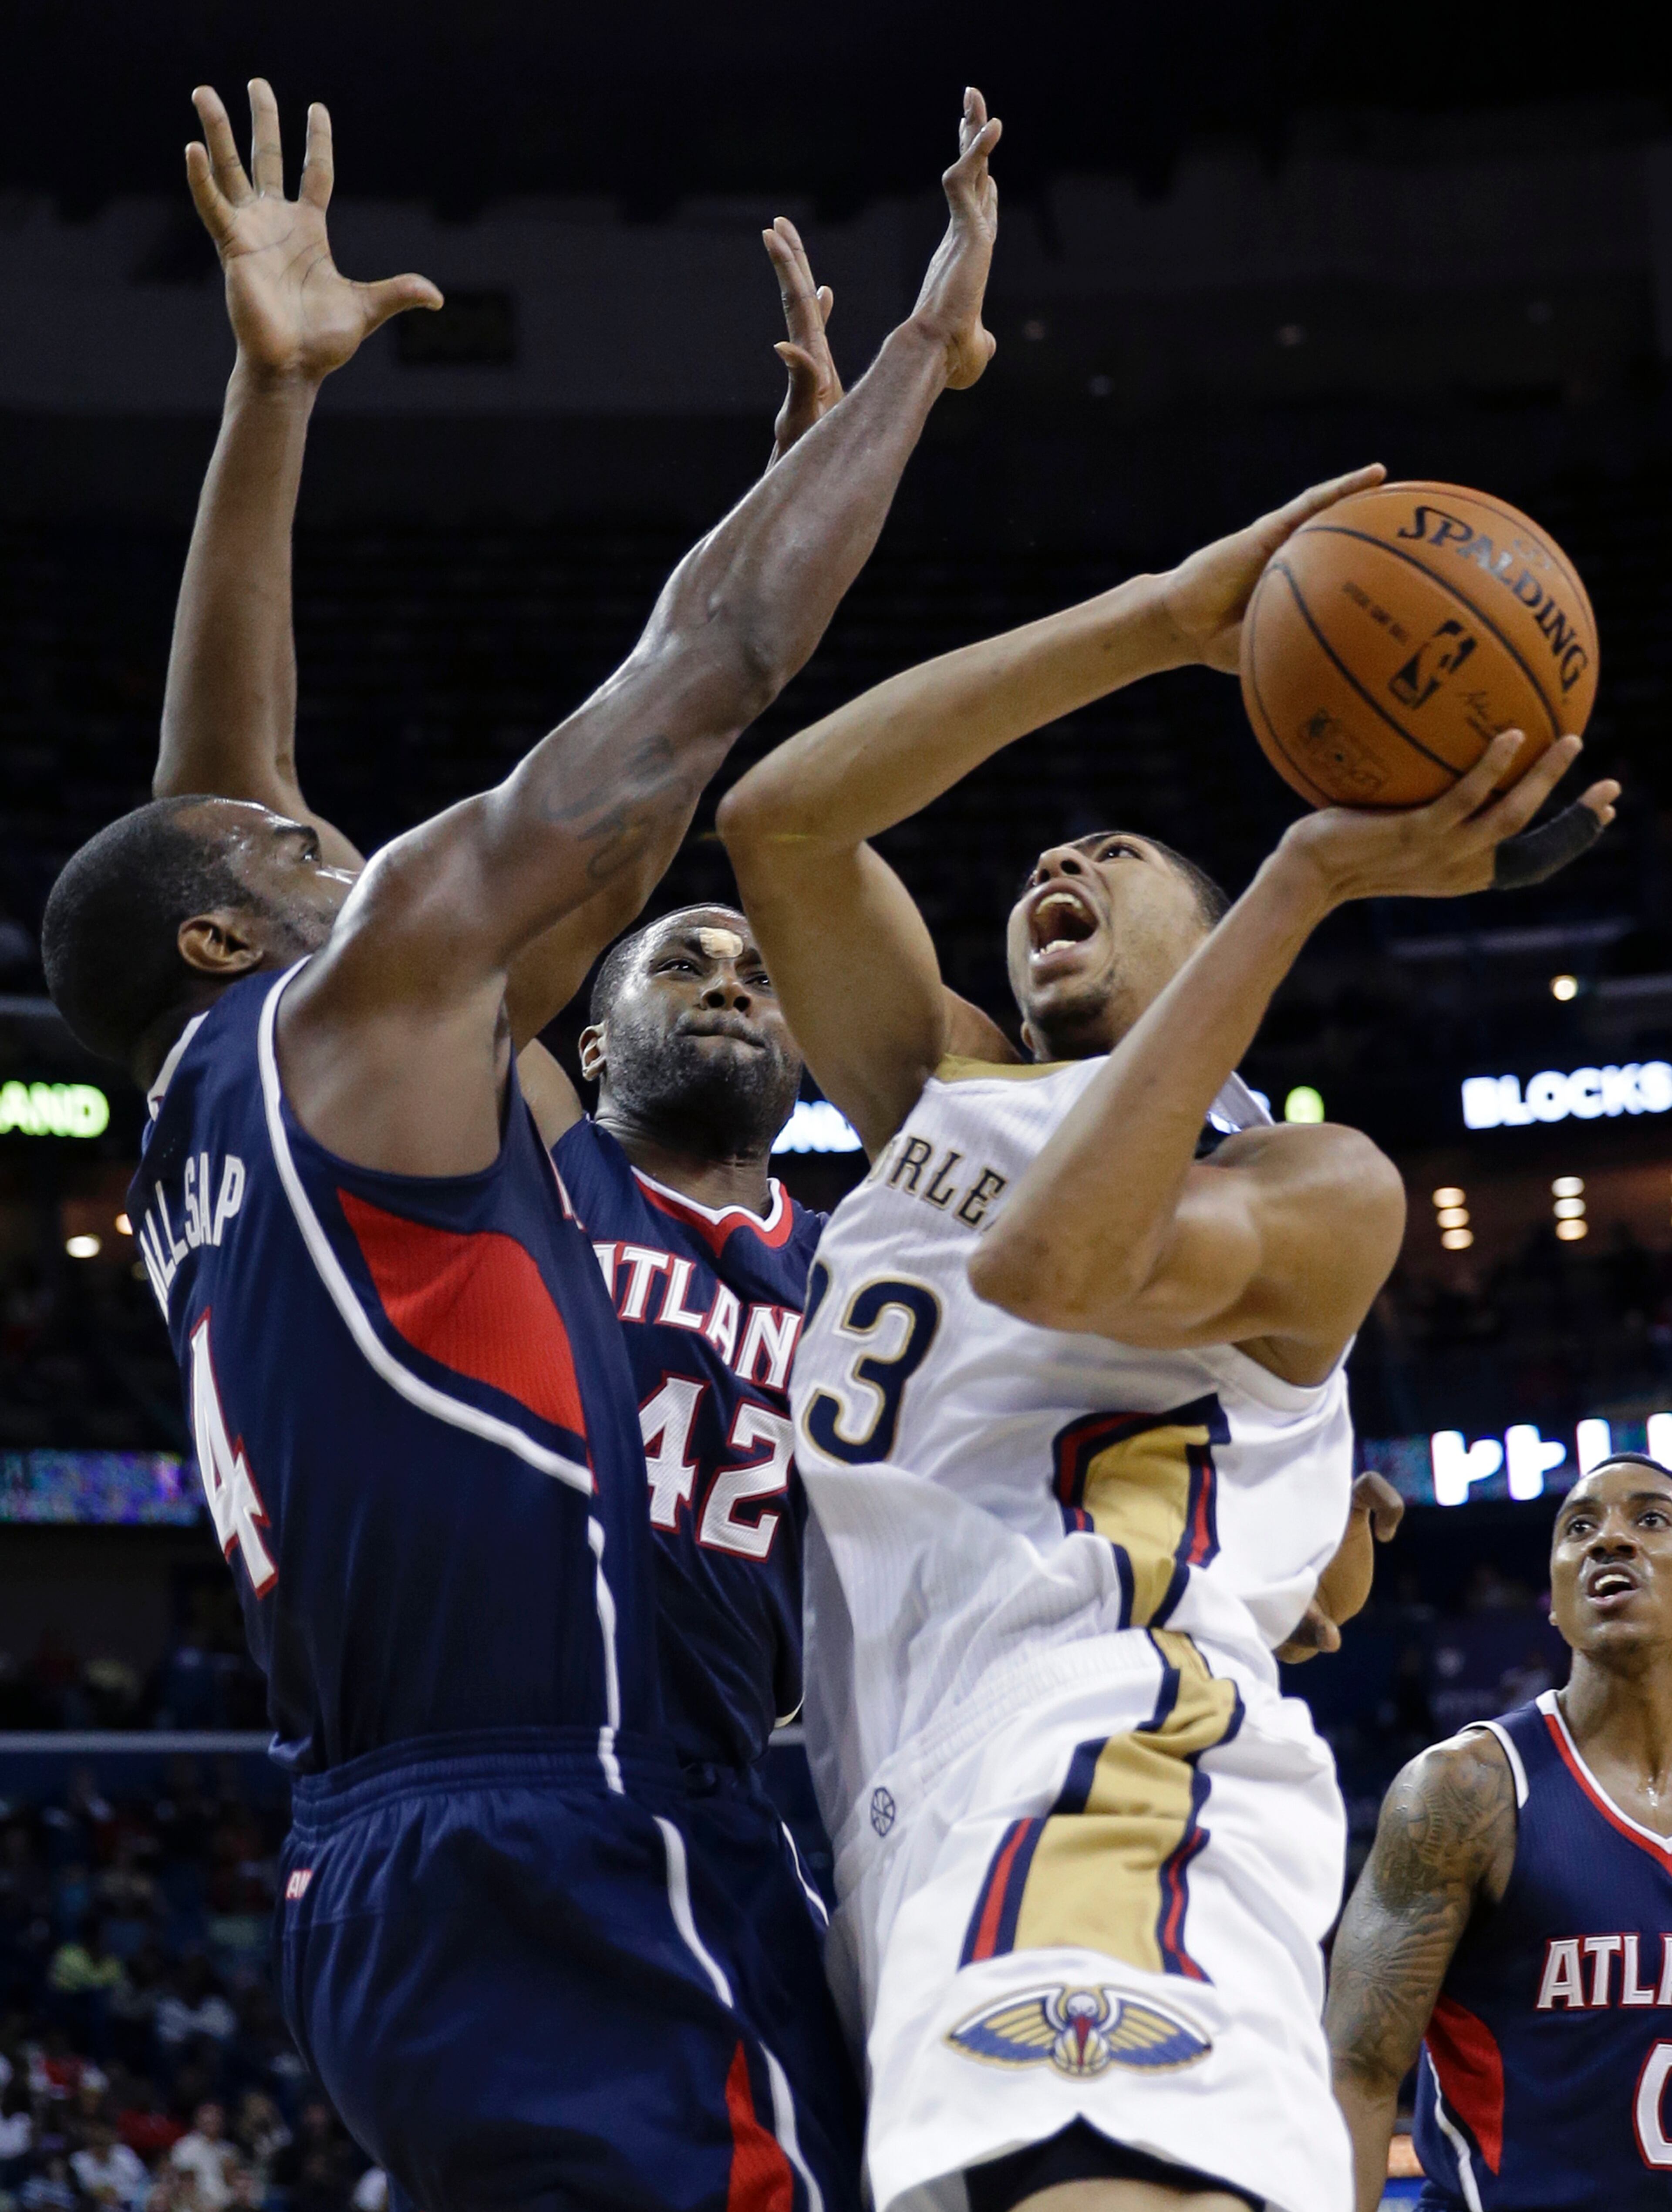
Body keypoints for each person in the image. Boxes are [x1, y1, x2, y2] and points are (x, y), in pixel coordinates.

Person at [42, 73, 1002, 2212]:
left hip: (393, 1869)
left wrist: (271, 396)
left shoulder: (215, 1109)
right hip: (566, 1819)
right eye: (309, 850)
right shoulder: (350, 1007)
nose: (346, 840)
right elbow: (706, 669)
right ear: (239, 929)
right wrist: (915, 374)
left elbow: (208, 794)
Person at [718, 501, 1617, 2211]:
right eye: (1049, 858)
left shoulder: (1306, 1179)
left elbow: (1061, 1261)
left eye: (1120, 858)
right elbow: (781, 818)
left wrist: (1302, 875)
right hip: (921, 1800)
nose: (1062, 864)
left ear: (1222, 954)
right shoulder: (950, 1093)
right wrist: (1155, 614)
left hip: (1109, 1766)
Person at [1328, 1451, 1672, 2209]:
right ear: (1553, 1597)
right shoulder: (1466, 1789)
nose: (1608, 1540)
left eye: (1650, 1518)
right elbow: (1353, 2074)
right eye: (1579, 1527)